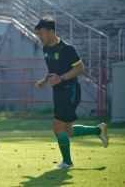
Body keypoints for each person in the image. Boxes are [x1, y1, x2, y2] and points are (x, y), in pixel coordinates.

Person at [34, 16, 108, 169]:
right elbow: (52, 68)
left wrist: (61, 78)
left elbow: (81, 69)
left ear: (51, 31)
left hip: (71, 91)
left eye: (41, 33)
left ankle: (67, 162)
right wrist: (45, 80)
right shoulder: (46, 48)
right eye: (38, 34)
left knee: (57, 126)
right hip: (58, 91)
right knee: (66, 130)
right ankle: (98, 130)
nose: (39, 37)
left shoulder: (67, 49)